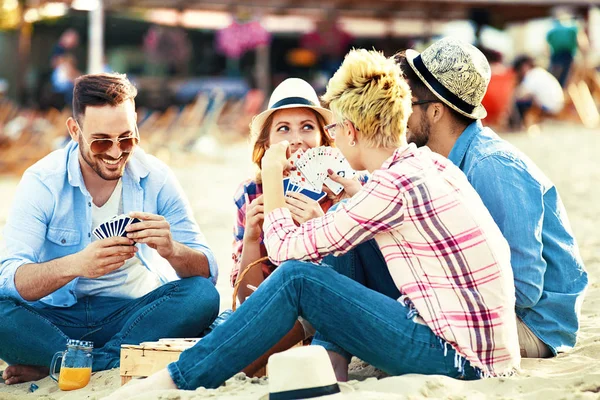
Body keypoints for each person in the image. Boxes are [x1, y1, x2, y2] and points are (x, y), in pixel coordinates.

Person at [106, 49, 520, 398]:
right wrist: (349, 196)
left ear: (353, 131)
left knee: (298, 279)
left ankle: (177, 379)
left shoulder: (392, 186)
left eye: (333, 127)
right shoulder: (422, 165)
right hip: (485, 349)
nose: (331, 137)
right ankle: (328, 360)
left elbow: (287, 253)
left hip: (459, 359)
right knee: (330, 250)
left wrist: (271, 175)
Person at [0, 73, 220, 385]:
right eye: (102, 140)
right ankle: (97, 358)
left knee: (202, 295)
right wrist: (77, 265)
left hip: (132, 316)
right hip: (54, 319)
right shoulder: (42, 181)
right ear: (75, 131)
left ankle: (69, 361)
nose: (116, 152)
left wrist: (173, 250)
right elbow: (10, 278)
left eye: (127, 139)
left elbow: (206, 271)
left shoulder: (157, 177)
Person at [395, 37, 588, 359]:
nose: (400, 114)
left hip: (532, 326)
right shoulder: (452, 159)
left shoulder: (491, 166)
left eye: (408, 103)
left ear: (436, 111)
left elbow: (523, 288)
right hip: (503, 315)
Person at [230, 77, 338, 374]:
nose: (295, 139)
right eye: (283, 129)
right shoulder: (251, 194)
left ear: (323, 140)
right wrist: (251, 240)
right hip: (273, 319)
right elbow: (248, 298)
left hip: (328, 321)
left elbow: (353, 282)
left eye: (307, 127)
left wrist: (323, 227)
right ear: (266, 145)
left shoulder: (339, 191)